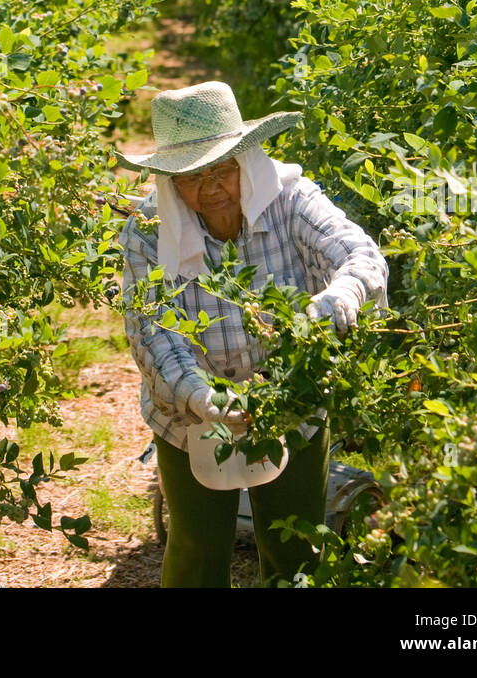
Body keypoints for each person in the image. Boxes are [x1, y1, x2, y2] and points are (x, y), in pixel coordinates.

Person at [116, 80, 389, 588]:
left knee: (297, 547)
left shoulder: (291, 200)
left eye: (222, 168)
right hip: (188, 416)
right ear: (171, 181)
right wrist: (203, 398)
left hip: (292, 398)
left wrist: (341, 296)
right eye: (192, 176)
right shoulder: (147, 233)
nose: (210, 188)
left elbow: (360, 255)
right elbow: (151, 330)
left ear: (245, 159)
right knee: (197, 550)